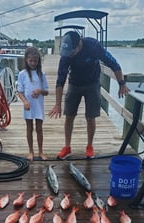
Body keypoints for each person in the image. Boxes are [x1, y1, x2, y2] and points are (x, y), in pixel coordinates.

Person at [48, 31, 130, 159]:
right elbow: (60, 80)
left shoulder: (93, 46)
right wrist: (58, 104)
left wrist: (121, 83)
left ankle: (89, 146)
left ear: (79, 44)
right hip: (74, 84)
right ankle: (67, 147)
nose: (69, 55)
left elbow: (113, 63)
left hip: (92, 84)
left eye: (72, 52)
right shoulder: (66, 54)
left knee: (91, 117)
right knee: (69, 116)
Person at [17, 46, 49, 161]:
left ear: (38, 61)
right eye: (31, 61)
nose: (33, 63)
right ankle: (31, 151)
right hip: (28, 106)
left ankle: (40, 151)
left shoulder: (42, 74)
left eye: (35, 61)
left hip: (38, 106)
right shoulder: (22, 74)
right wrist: (25, 101)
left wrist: (40, 91)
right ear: (26, 60)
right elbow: (19, 92)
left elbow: (46, 91)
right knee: (29, 128)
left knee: (39, 129)